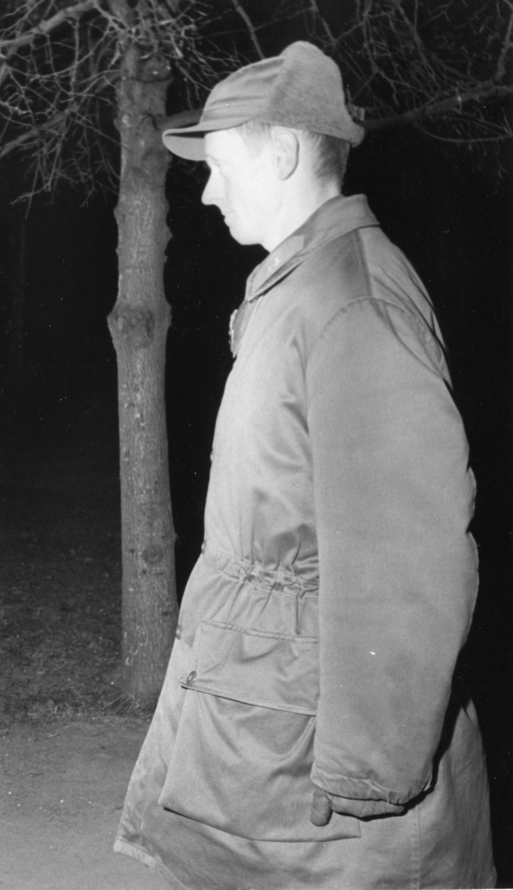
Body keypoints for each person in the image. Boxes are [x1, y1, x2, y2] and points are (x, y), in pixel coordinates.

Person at [114, 42, 494, 888]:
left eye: (220, 167)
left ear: (283, 151)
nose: (207, 192)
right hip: (269, 724)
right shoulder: (301, 284)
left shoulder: (352, 301)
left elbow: (409, 562)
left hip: (317, 768)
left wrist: (369, 771)